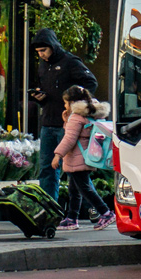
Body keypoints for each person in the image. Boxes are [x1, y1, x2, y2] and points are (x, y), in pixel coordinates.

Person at [31, 28, 97, 202]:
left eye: (43, 51)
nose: (41, 55)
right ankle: (50, 208)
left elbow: (91, 83)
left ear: (53, 46)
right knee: (46, 168)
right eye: (38, 52)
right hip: (48, 121)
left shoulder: (70, 62)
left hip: (68, 124)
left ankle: (95, 208)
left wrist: (77, 107)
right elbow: (47, 90)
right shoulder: (43, 65)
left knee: (75, 169)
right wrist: (40, 97)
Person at [50, 86, 115, 231]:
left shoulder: (76, 116)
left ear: (73, 102)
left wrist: (57, 155)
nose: (65, 105)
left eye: (66, 103)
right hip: (89, 154)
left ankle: (106, 212)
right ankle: (72, 218)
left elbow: (69, 139)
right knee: (74, 189)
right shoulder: (92, 113)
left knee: (84, 188)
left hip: (77, 157)